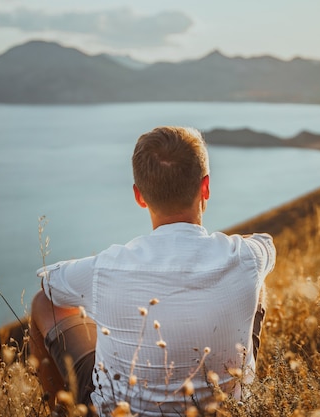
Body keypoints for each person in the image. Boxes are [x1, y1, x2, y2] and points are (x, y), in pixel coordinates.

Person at [29, 126, 276, 416]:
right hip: (225, 410)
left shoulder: (107, 267)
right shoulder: (246, 256)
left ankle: (60, 411)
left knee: (43, 303)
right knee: (257, 283)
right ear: (205, 187)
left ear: (139, 196)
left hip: (119, 412)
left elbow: (49, 286)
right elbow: (265, 244)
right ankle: (240, 390)